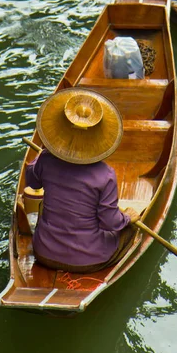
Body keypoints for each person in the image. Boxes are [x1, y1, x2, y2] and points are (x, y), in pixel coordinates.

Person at [25, 87, 139, 273]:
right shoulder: (106, 174)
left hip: (44, 252)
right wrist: (127, 218)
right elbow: (111, 222)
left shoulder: (45, 160)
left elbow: (32, 183)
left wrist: (42, 155)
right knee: (131, 230)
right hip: (89, 259)